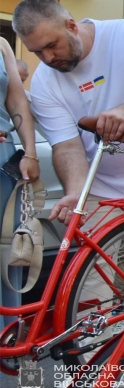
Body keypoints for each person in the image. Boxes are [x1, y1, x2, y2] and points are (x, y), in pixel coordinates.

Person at [12, 0, 124, 223]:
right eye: (37, 52)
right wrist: (76, 193)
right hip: (100, 187)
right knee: (92, 258)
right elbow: (67, 146)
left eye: (51, 45)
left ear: (72, 26)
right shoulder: (44, 82)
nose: (47, 58)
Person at [0, 38, 40, 342]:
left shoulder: (2, 45)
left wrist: (30, 152)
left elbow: (16, 101)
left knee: (6, 257)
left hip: (2, 162)